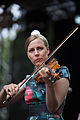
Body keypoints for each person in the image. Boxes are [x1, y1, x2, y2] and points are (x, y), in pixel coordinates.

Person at [0, 30, 70, 120]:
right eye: (31, 51)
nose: (36, 53)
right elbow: (2, 104)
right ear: (28, 55)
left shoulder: (61, 72)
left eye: (40, 48)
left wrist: (48, 83)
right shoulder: (29, 79)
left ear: (47, 50)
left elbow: (52, 108)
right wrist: (4, 90)